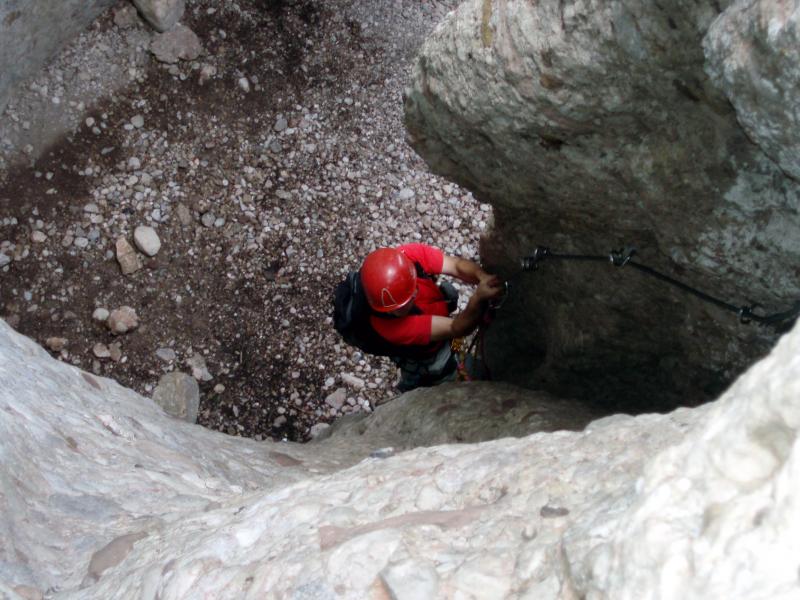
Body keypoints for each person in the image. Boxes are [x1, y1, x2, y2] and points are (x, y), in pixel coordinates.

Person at [360, 242, 504, 391]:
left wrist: (483, 277)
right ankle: (421, 384)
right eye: (405, 303)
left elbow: (455, 265)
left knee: (455, 341)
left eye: (414, 289)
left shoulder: (405, 258)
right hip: (431, 355)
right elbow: (457, 328)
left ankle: (417, 378)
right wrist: (477, 298)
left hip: (438, 318)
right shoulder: (390, 327)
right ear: (388, 311)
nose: (414, 295)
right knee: (471, 372)